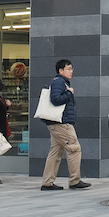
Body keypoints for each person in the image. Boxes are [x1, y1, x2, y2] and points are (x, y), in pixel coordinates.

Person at [41, 59, 90, 192]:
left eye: (71, 68)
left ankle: (48, 182)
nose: (71, 71)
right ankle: (75, 180)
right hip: (61, 123)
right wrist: (69, 93)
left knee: (55, 151)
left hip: (56, 123)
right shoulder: (59, 82)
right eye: (68, 68)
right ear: (60, 71)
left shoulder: (60, 82)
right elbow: (56, 99)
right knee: (74, 148)